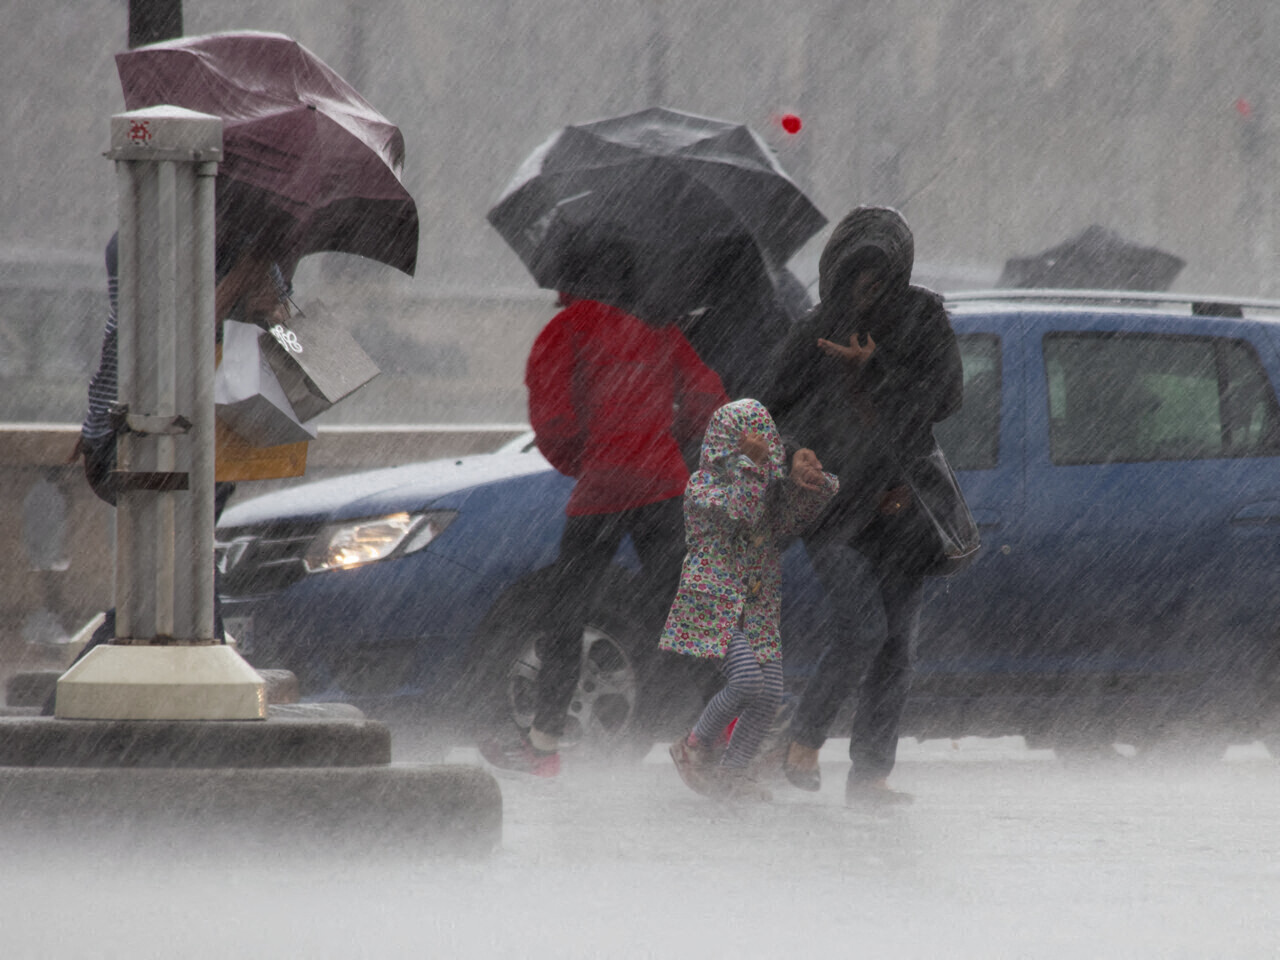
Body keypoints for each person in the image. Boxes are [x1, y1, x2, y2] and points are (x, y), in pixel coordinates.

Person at [479, 239, 729, 777]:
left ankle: (543, 746)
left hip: (602, 492)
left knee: (565, 613)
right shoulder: (660, 330)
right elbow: (709, 399)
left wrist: (588, 458)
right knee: (684, 608)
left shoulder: (564, 332)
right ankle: (727, 726)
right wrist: (667, 441)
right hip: (665, 486)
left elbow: (554, 422)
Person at [762, 206, 964, 806]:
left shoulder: (923, 318)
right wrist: (794, 452)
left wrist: (877, 368)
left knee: (897, 644)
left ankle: (871, 774)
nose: (866, 291)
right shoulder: (813, 330)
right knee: (861, 628)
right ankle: (800, 739)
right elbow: (770, 411)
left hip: (902, 508)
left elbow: (947, 397)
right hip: (831, 510)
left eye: (880, 278)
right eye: (856, 277)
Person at [662, 399, 837, 800]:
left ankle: (733, 771)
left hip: (755, 605)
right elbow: (738, 510)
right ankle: (692, 746)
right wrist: (752, 467)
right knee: (746, 679)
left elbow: (790, 519)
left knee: (770, 693)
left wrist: (810, 484)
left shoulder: (763, 486)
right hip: (713, 599)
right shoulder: (703, 487)